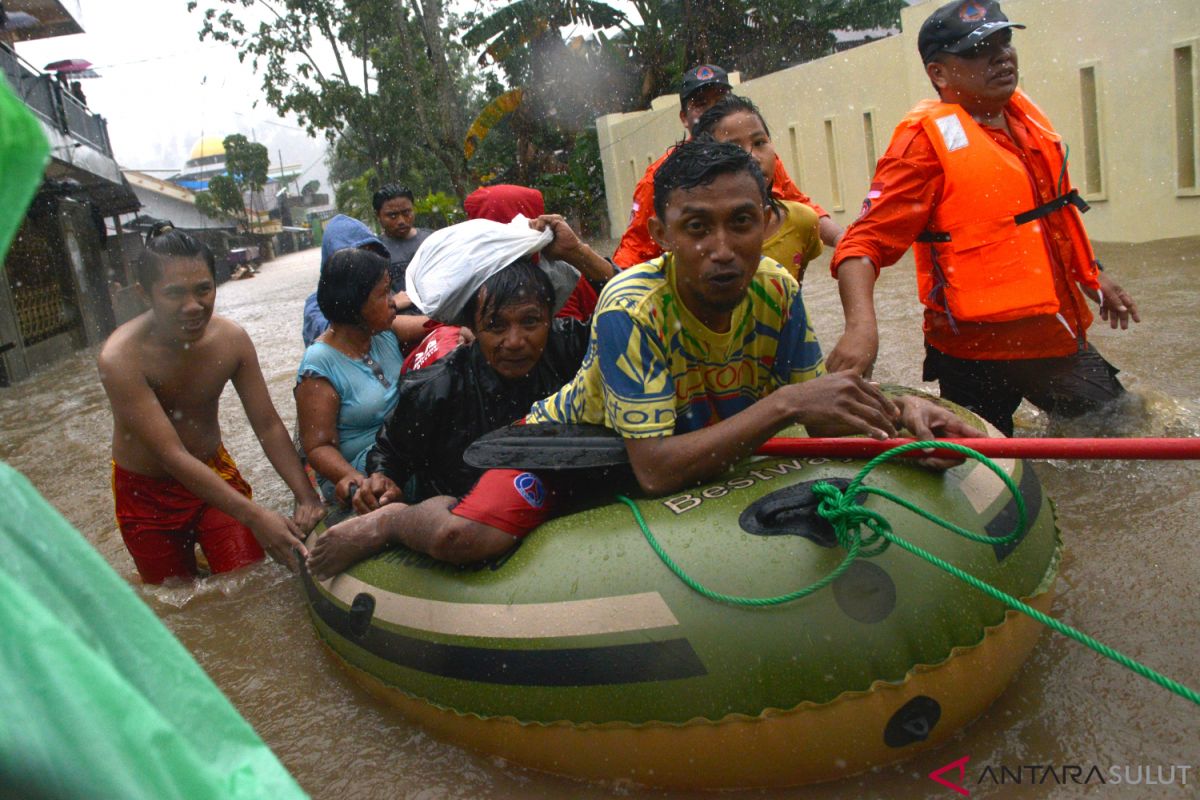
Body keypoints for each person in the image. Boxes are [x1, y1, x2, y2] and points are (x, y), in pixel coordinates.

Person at [309, 140, 977, 575]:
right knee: (469, 541)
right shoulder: (631, 306)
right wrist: (790, 403)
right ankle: (393, 524)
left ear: (770, 223)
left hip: (689, 428)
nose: (722, 248)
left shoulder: (775, 290)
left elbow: (821, 411)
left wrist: (897, 419)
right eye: (697, 228)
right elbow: (655, 472)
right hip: (573, 448)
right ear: (660, 235)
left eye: (741, 222)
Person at [827, 0, 1140, 436]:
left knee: (1126, 424)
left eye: (1004, 41)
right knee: (978, 467)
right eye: (977, 50)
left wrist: (1093, 275)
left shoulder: (1024, 121)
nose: (1001, 56)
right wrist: (861, 328)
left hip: (1052, 337)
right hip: (972, 353)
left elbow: (1047, 220)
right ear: (938, 73)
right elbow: (861, 244)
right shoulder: (924, 148)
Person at [307, 222, 597, 578]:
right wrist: (383, 479)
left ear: (551, 318)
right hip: (463, 506)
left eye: (531, 322)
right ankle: (393, 523)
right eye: (495, 326)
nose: (515, 341)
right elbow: (391, 453)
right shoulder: (436, 388)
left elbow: (637, 314)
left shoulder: (569, 345)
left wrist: (578, 252)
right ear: (472, 326)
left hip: (558, 481)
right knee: (455, 537)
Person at [98, 226, 324, 584]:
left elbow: (266, 423)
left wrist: (306, 495)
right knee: (178, 598)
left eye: (204, 289)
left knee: (247, 582)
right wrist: (255, 515)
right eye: (174, 293)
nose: (193, 306)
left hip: (212, 471)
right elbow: (171, 456)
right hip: (146, 494)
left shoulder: (230, 341)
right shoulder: (120, 357)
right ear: (145, 295)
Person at [612, 64, 841, 269]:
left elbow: (800, 206)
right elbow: (634, 253)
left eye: (720, 100)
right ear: (684, 117)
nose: (713, 110)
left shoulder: (762, 159)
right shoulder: (661, 178)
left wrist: (845, 241)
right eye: (701, 104)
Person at [295, 248, 406, 505]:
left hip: (399, 444)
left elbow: (431, 326)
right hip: (358, 466)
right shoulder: (319, 363)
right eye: (383, 294)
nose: (392, 301)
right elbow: (317, 448)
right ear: (354, 305)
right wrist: (354, 478)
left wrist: (461, 332)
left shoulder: (383, 331)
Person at [693, 94, 822, 286]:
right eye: (733, 147)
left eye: (759, 142)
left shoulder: (802, 222)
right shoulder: (694, 236)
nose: (752, 156)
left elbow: (791, 302)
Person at [301, 214, 429, 350]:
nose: (368, 262)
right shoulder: (316, 307)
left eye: (372, 254)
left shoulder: (385, 290)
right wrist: (391, 307)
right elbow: (341, 334)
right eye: (359, 255)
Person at [373, 185, 430, 293]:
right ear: (378, 216)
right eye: (392, 216)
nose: (401, 221)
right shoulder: (375, 250)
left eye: (406, 213)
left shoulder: (431, 240)